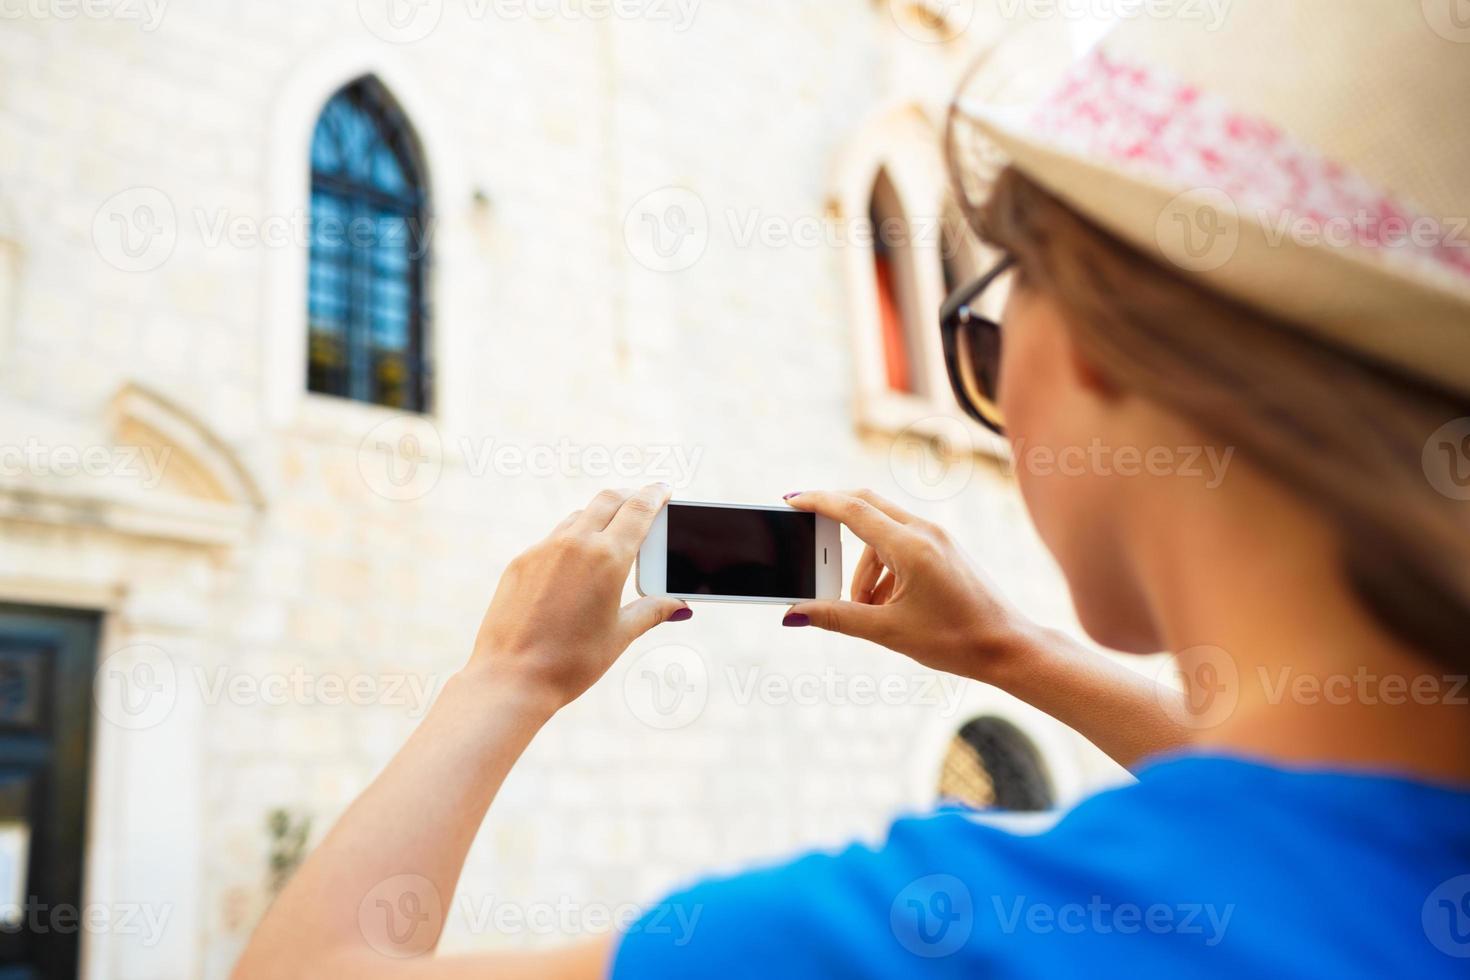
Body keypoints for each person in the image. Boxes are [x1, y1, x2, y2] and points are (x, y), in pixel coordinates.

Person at [233, 2, 1470, 976]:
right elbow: (1325, 813)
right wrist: (1005, 648)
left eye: (982, 323)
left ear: (1091, 339)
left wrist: (504, 676)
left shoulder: (933, 933)